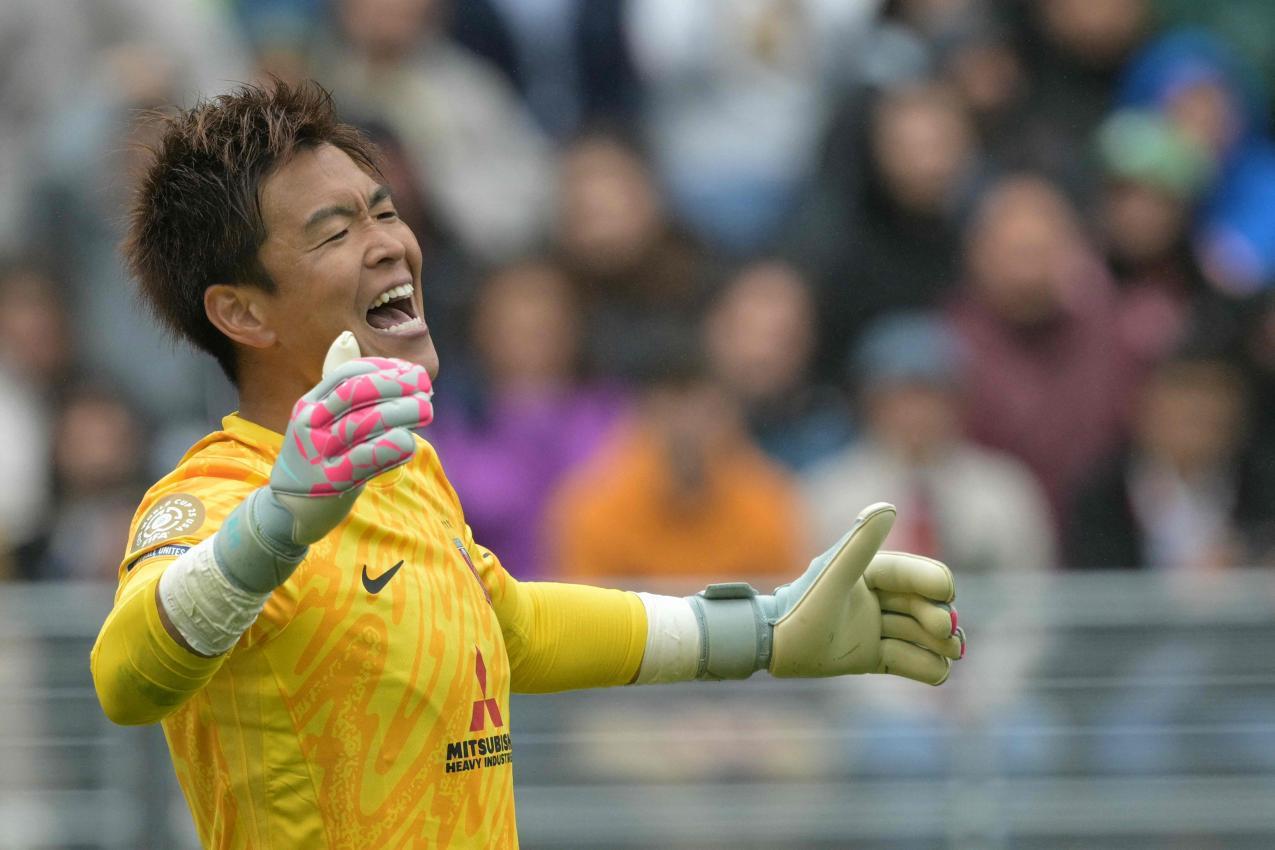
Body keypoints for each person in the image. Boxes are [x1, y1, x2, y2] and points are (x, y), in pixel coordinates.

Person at [89, 81, 965, 848]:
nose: (388, 242)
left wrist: (762, 631)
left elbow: (509, 624)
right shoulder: (219, 495)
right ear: (241, 313)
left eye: (383, 209)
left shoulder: (406, 473)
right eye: (333, 231)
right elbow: (125, 676)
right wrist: (276, 524)